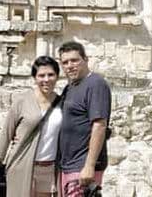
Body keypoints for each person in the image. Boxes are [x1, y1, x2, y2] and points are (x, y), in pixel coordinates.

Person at [0, 56, 64, 197]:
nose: (46, 79)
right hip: (20, 167)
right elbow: (5, 136)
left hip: (49, 169)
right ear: (35, 78)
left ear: (57, 76)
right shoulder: (22, 101)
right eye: (41, 75)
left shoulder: (62, 104)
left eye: (51, 75)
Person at [57, 41, 112, 197]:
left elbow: (100, 125)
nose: (70, 65)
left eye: (74, 60)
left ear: (85, 60)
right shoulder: (70, 87)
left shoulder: (95, 84)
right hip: (68, 166)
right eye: (65, 62)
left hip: (82, 168)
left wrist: (89, 165)